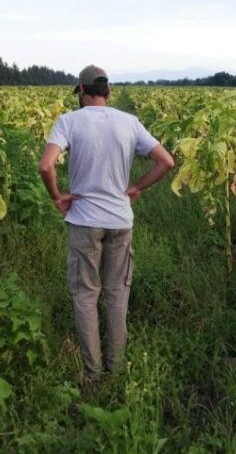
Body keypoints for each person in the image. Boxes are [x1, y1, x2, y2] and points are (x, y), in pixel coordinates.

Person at [38, 65, 174, 386]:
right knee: (117, 294)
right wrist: (137, 187)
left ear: (82, 92)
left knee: (86, 295)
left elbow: (46, 165)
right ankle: (118, 369)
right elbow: (166, 161)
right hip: (120, 221)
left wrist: (58, 197)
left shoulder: (69, 122)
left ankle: (92, 373)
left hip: (84, 221)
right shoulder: (129, 122)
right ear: (108, 92)